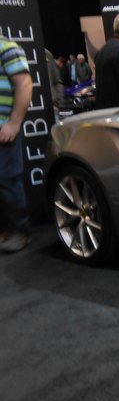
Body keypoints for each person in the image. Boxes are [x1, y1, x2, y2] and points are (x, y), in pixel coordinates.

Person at [0, 37, 34, 252]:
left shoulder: (7, 48)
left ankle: (19, 232)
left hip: (3, 130)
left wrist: (13, 123)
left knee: (7, 180)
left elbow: (24, 84)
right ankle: (5, 230)